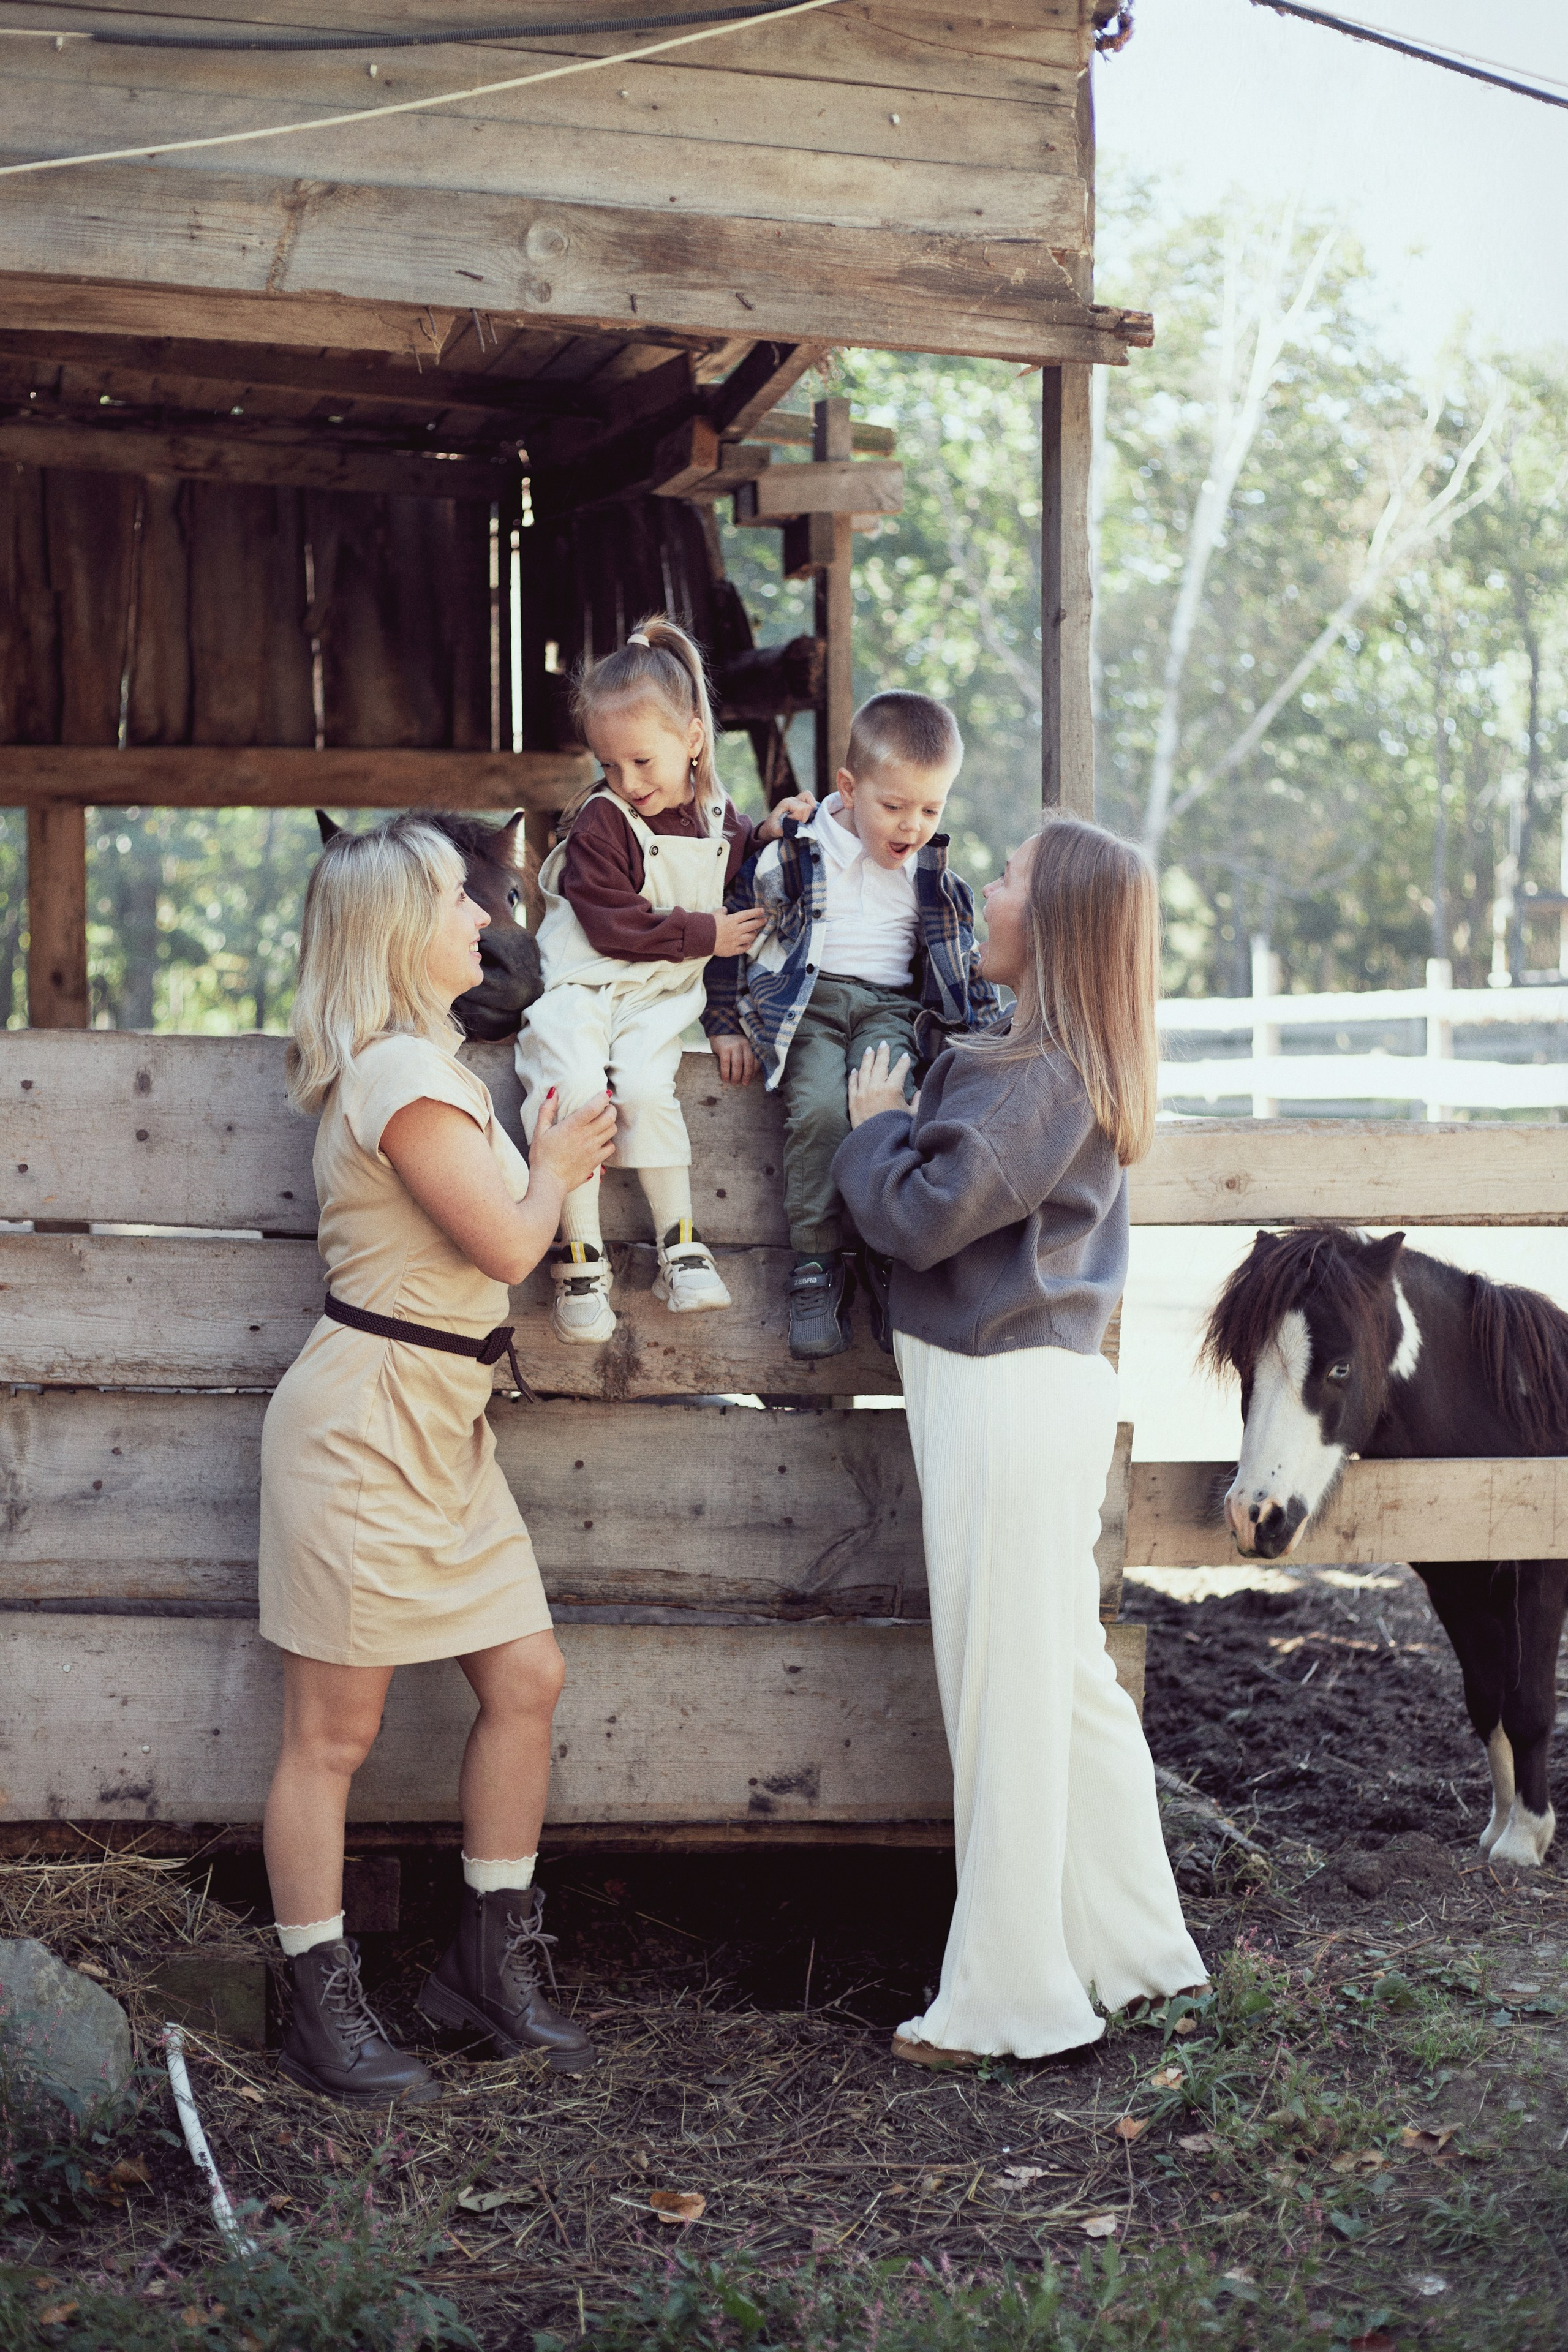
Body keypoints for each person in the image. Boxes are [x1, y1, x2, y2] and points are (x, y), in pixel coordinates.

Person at [832, 814, 1207, 2064]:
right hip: (1022, 1392)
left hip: (1000, 1395)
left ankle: (1009, 2005)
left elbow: (928, 1214)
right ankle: (1140, 1959)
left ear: (1047, 925)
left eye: (1004, 879)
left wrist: (869, 1127)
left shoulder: (1041, 1072)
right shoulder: (1047, 1062)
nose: (982, 891)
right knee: (1060, 1677)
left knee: (997, 1690)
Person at [258, 814, 618, 2106]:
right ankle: (318, 2000)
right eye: (455, 905)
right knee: (332, 1733)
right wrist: (565, 1159)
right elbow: (508, 1247)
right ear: (394, 936)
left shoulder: (432, 1063)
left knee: (526, 1674)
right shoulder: (396, 1076)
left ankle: (487, 1964)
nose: (480, 919)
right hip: (364, 1429)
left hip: (439, 1419)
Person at [514, 616, 813, 1344]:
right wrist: (704, 934)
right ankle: (578, 1255)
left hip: (656, 997)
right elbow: (613, 923)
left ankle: (679, 1244)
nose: (628, 782)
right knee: (578, 1092)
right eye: (611, 765)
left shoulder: (718, 814)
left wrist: (771, 832)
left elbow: (735, 860)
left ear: (692, 739)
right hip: (583, 987)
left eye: (643, 763)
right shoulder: (598, 823)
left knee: (648, 1090)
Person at [704, 690, 997, 1360]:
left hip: (890, 1009)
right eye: (892, 807)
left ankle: (886, 1259)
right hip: (807, 1010)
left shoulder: (932, 877)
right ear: (848, 787)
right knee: (817, 1113)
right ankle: (815, 1264)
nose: (910, 826)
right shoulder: (795, 854)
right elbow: (734, 929)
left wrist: (988, 1043)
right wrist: (723, 1022)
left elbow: (963, 968)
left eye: (930, 808)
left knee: (886, 1118)